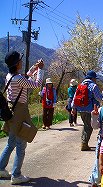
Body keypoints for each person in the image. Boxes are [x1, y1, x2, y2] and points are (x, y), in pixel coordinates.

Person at [0, 51, 44, 184]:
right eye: (20, 60)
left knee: (11, 143)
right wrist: (41, 70)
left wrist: (34, 69)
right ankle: (16, 175)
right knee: (21, 144)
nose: (21, 61)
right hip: (20, 112)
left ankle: (1, 168)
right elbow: (37, 85)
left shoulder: (10, 76)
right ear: (17, 63)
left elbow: (25, 77)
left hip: (12, 110)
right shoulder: (18, 79)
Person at [71, 70, 103, 151]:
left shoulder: (80, 85)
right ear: (92, 78)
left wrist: (73, 108)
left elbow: (75, 98)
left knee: (86, 125)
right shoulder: (93, 86)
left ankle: (83, 142)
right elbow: (99, 98)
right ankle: (84, 144)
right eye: (95, 78)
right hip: (89, 109)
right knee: (88, 126)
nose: (95, 80)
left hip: (80, 109)